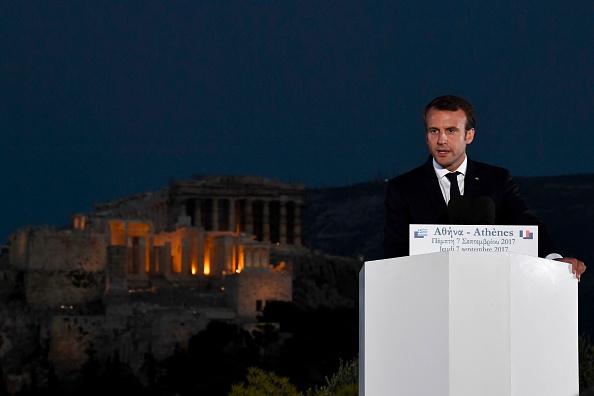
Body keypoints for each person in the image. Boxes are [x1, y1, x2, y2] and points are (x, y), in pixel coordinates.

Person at [383, 94, 586, 281]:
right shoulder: (404, 187)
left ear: (469, 135)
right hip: (428, 291)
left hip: (490, 287)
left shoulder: (497, 179)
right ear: (426, 136)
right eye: (434, 130)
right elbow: (395, 250)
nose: (441, 140)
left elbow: (524, 222)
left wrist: (554, 258)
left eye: (451, 131)